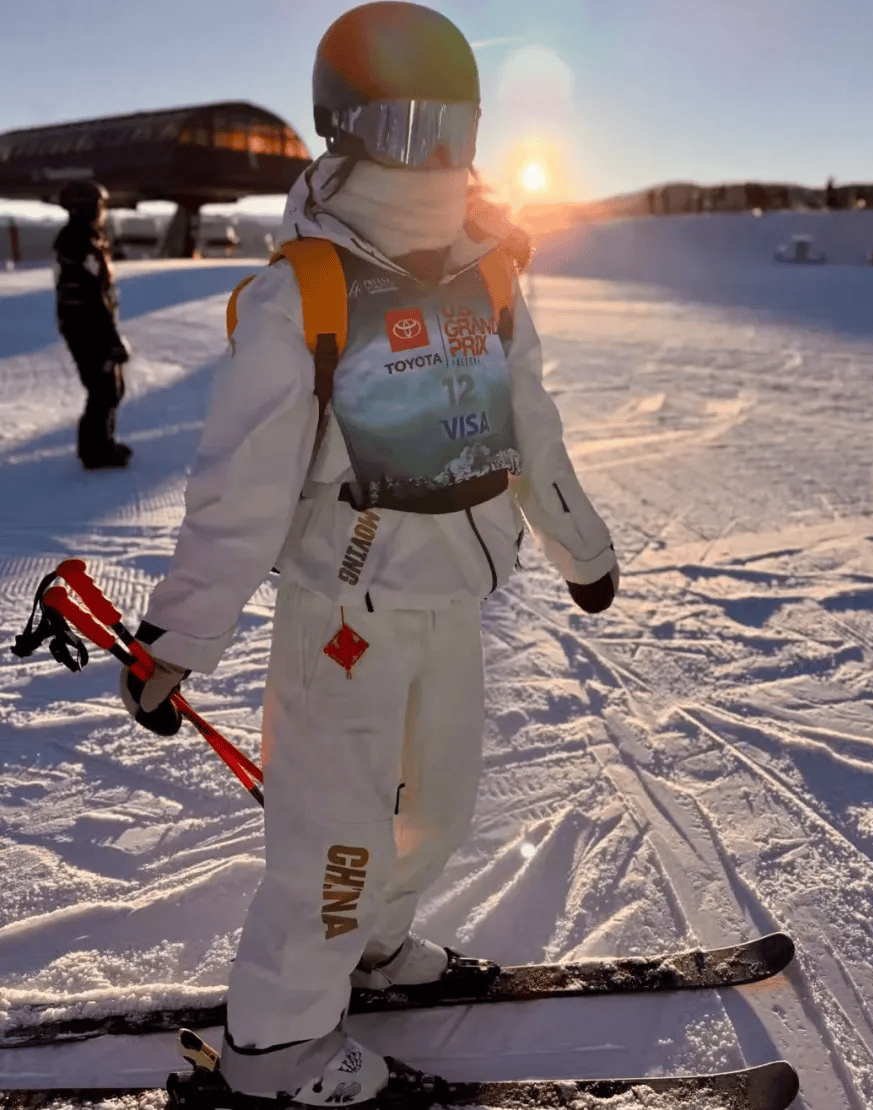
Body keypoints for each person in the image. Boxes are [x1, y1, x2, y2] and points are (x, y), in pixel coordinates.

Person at [118, 3, 619, 1105]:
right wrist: (181, 634)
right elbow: (241, 486)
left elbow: (530, 425)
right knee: (330, 839)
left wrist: (579, 545)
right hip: (339, 615)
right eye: (405, 123)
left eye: (447, 123)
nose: (429, 148)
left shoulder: (491, 271)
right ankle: (280, 1052)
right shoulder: (306, 285)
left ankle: (378, 953)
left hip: (453, 596)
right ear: (344, 127)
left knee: (433, 809)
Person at [53, 180, 132, 470]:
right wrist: (112, 340)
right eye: (100, 206)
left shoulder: (86, 238)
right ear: (87, 209)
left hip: (87, 324)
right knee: (103, 388)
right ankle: (96, 453)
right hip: (86, 327)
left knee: (109, 386)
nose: (104, 212)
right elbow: (91, 296)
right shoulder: (79, 242)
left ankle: (102, 444)